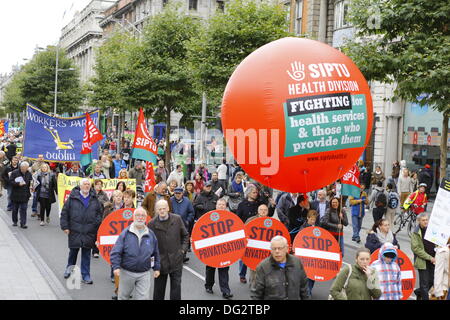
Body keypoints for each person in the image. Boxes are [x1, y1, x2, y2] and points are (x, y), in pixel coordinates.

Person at [110, 207, 161, 300]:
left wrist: (156, 268)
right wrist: (116, 267)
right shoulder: (126, 233)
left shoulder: (151, 234)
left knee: (144, 298)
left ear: (145, 218)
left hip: (144, 273)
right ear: (133, 217)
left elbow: (154, 253)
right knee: (123, 297)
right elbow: (116, 251)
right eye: (138, 215)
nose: (140, 218)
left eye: (143, 216)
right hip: (127, 272)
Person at [60, 178, 103, 284]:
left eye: (88, 184)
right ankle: (69, 269)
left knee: (86, 254)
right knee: (73, 252)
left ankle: (86, 275)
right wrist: (65, 226)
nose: (87, 186)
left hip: (89, 231)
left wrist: (94, 224)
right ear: (80, 186)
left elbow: (99, 213)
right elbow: (65, 213)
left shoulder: (95, 199)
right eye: (84, 184)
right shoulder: (72, 198)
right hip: (75, 230)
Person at [148, 200, 189, 300]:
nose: (162, 211)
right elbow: (149, 246)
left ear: (168, 208)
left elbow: (185, 235)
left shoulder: (177, 219)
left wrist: (182, 250)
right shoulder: (151, 224)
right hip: (160, 263)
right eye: (159, 209)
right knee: (158, 291)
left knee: (176, 290)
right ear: (156, 210)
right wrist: (153, 265)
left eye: (164, 208)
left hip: (176, 260)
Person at [251, 236, 309, 300]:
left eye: (280, 248)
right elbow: (256, 294)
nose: (277, 251)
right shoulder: (263, 267)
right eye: (274, 248)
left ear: (287, 248)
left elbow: (304, 289)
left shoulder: (297, 263)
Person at [205, 198, 234, 299]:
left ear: (226, 206)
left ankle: (226, 291)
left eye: (223, 205)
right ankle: (209, 285)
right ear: (216, 206)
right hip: (212, 249)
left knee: (224, 269)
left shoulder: (230, 218)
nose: (221, 206)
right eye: (219, 204)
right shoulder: (209, 217)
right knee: (210, 268)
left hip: (224, 249)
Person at [411, 212, 436, 300]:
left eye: (426, 220)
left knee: (433, 281)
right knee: (424, 284)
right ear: (418, 221)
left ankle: (418, 292)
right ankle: (423, 295)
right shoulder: (415, 232)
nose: (425, 222)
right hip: (423, 261)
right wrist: (430, 258)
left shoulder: (431, 229)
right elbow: (416, 249)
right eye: (423, 220)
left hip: (433, 260)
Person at [299, 210, 320, 297]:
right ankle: (307, 293)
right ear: (308, 218)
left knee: (312, 274)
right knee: (306, 275)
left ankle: (309, 290)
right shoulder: (303, 227)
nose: (313, 221)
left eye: (314, 220)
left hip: (314, 255)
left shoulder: (317, 228)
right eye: (311, 219)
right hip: (306, 255)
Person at [170, 187, 194, 263]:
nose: (177, 195)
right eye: (176, 193)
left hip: (184, 223)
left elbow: (191, 212)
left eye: (179, 193)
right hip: (173, 224)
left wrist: (188, 220)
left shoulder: (187, 201)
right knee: (174, 240)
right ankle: (175, 256)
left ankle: (183, 256)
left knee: (184, 240)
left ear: (182, 193)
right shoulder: (170, 200)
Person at [9, 161, 33, 228]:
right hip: (16, 195)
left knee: (23, 209)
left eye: (26, 168)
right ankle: (15, 221)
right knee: (15, 209)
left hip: (25, 195)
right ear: (20, 167)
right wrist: (18, 184)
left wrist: (32, 186)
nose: (24, 170)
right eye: (23, 169)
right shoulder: (14, 172)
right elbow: (10, 182)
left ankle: (23, 223)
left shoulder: (29, 173)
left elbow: (31, 181)